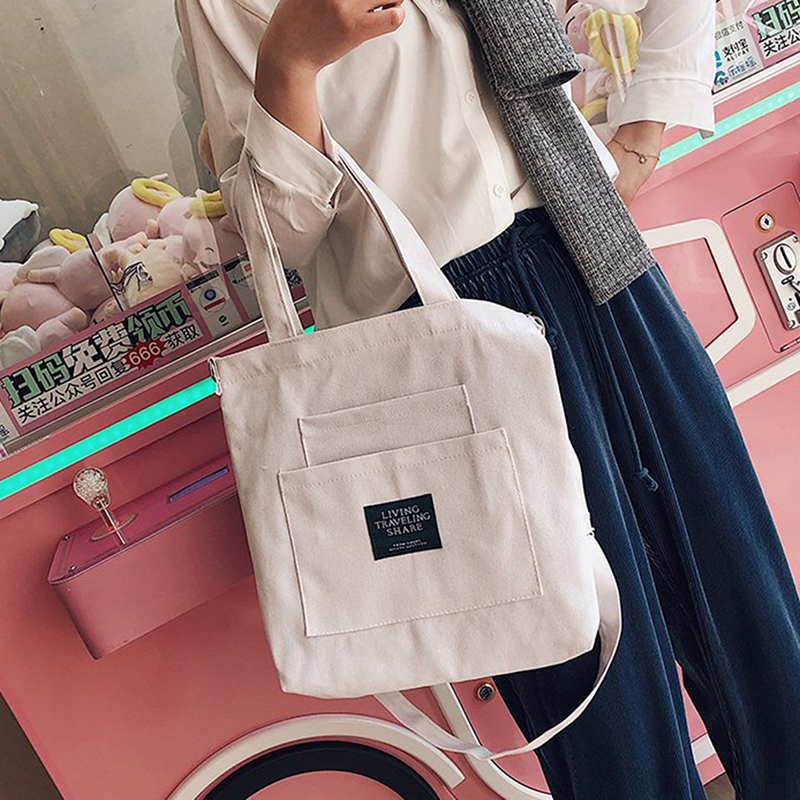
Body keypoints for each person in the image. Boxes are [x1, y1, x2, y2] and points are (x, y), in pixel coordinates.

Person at [176, 1, 800, 797]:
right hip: (439, 331)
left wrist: (643, 131)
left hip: (595, 249)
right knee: (605, 715)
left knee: (755, 623)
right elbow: (278, 232)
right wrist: (290, 64)